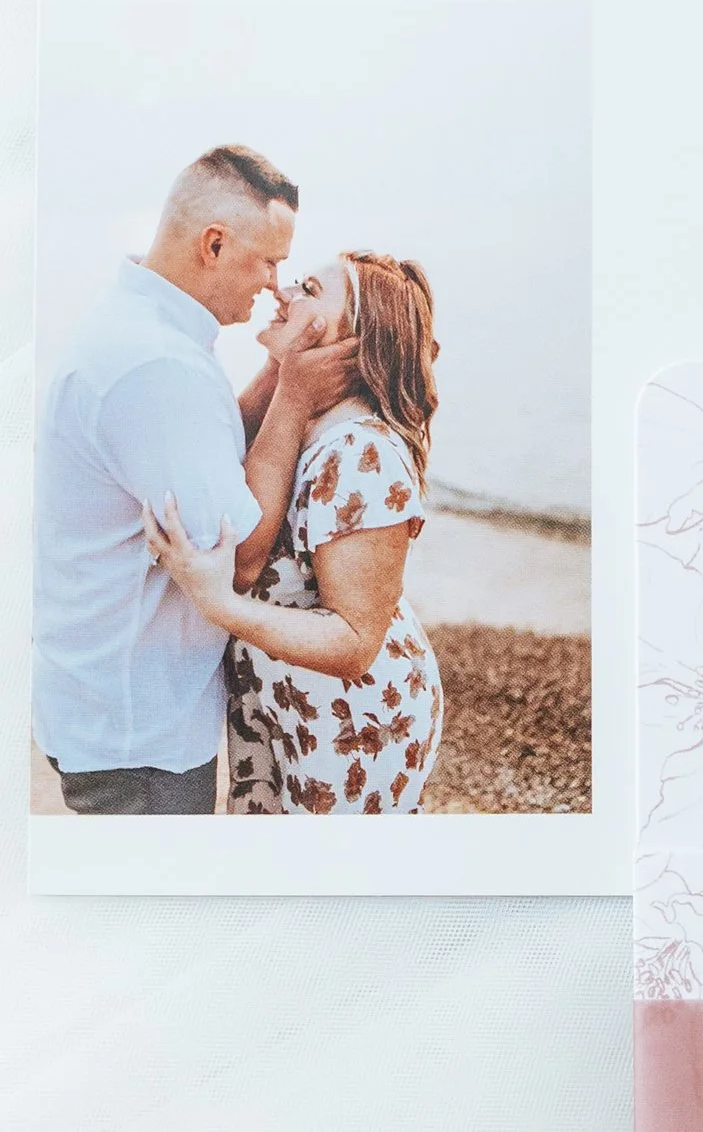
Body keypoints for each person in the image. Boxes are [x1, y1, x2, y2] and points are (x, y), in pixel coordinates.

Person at [33, 146, 354, 813]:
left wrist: (278, 374)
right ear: (214, 244)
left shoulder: (141, 330)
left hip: (105, 702)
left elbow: (202, 451)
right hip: (138, 737)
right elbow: (236, 558)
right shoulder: (157, 367)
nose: (273, 283)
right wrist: (294, 399)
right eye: (269, 259)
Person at [146, 253, 447, 814]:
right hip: (293, 705)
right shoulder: (307, 419)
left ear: (352, 341)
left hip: (350, 724)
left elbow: (355, 642)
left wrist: (218, 605)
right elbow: (220, 456)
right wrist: (288, 375)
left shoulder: (360, 452)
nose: (283, 291)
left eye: (308, 288)